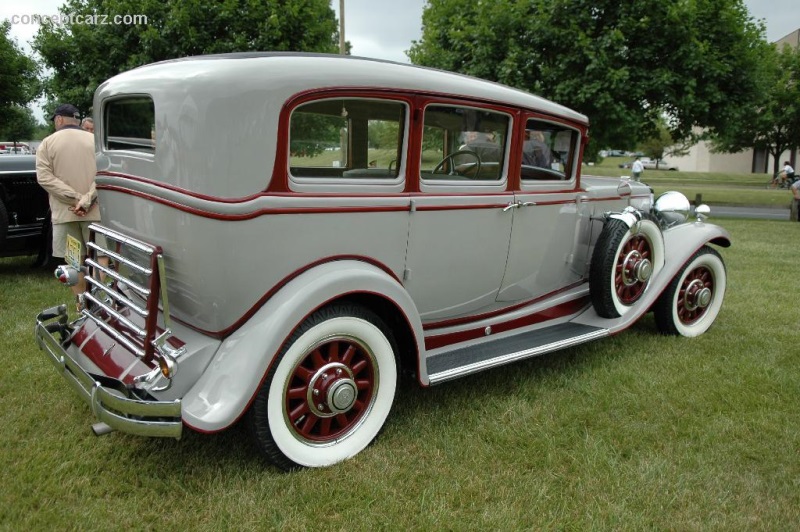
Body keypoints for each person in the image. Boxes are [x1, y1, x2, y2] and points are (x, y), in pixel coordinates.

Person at [36, 104, 102, 304]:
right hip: (96, 212)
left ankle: (82, 305)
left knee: (74, 262)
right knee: (100, 257)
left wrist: (75, 199)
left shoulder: (47, 144)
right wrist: (86, 199)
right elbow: (105, 174)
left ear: (58, 120)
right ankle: (101, 301)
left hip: (66, 215)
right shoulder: (96, 141)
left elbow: (44, 178)